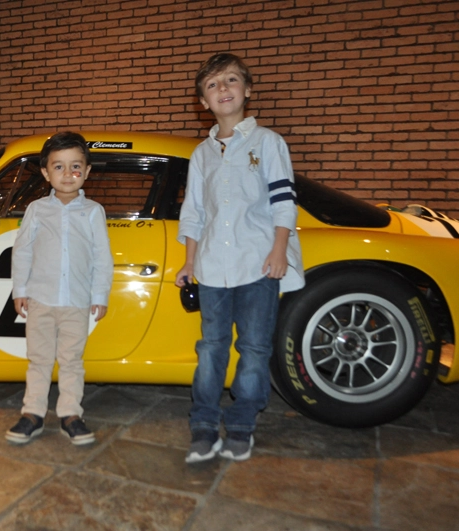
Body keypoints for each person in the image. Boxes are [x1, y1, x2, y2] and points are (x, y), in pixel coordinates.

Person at [175, 53, 305, 463]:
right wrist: (189, 262)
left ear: (247, 90)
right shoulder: (201, 154)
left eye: (231, 80)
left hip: (258, 265)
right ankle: (203, 424)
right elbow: (194, 213)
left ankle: (243, 425)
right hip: (212, 266)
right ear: (203, 101)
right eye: (213, 85)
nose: (223, 89)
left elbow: (284, 200)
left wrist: (280, 248)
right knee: (211, 347)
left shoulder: (268, 143)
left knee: (253, 348)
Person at [5, 131, 113, 446]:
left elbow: (101, 257)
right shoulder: (37, 210)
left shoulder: (93, 211)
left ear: (87, 171)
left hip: (76, 302)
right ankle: (33, 413)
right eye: (59, 167)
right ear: (45, 172)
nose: (68, 175)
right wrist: (20, 290)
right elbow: (23, 251)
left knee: (71, 359)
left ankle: (70, 413)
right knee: (38, 358)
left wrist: (99, 295)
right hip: (40, 299)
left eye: (76, 167)